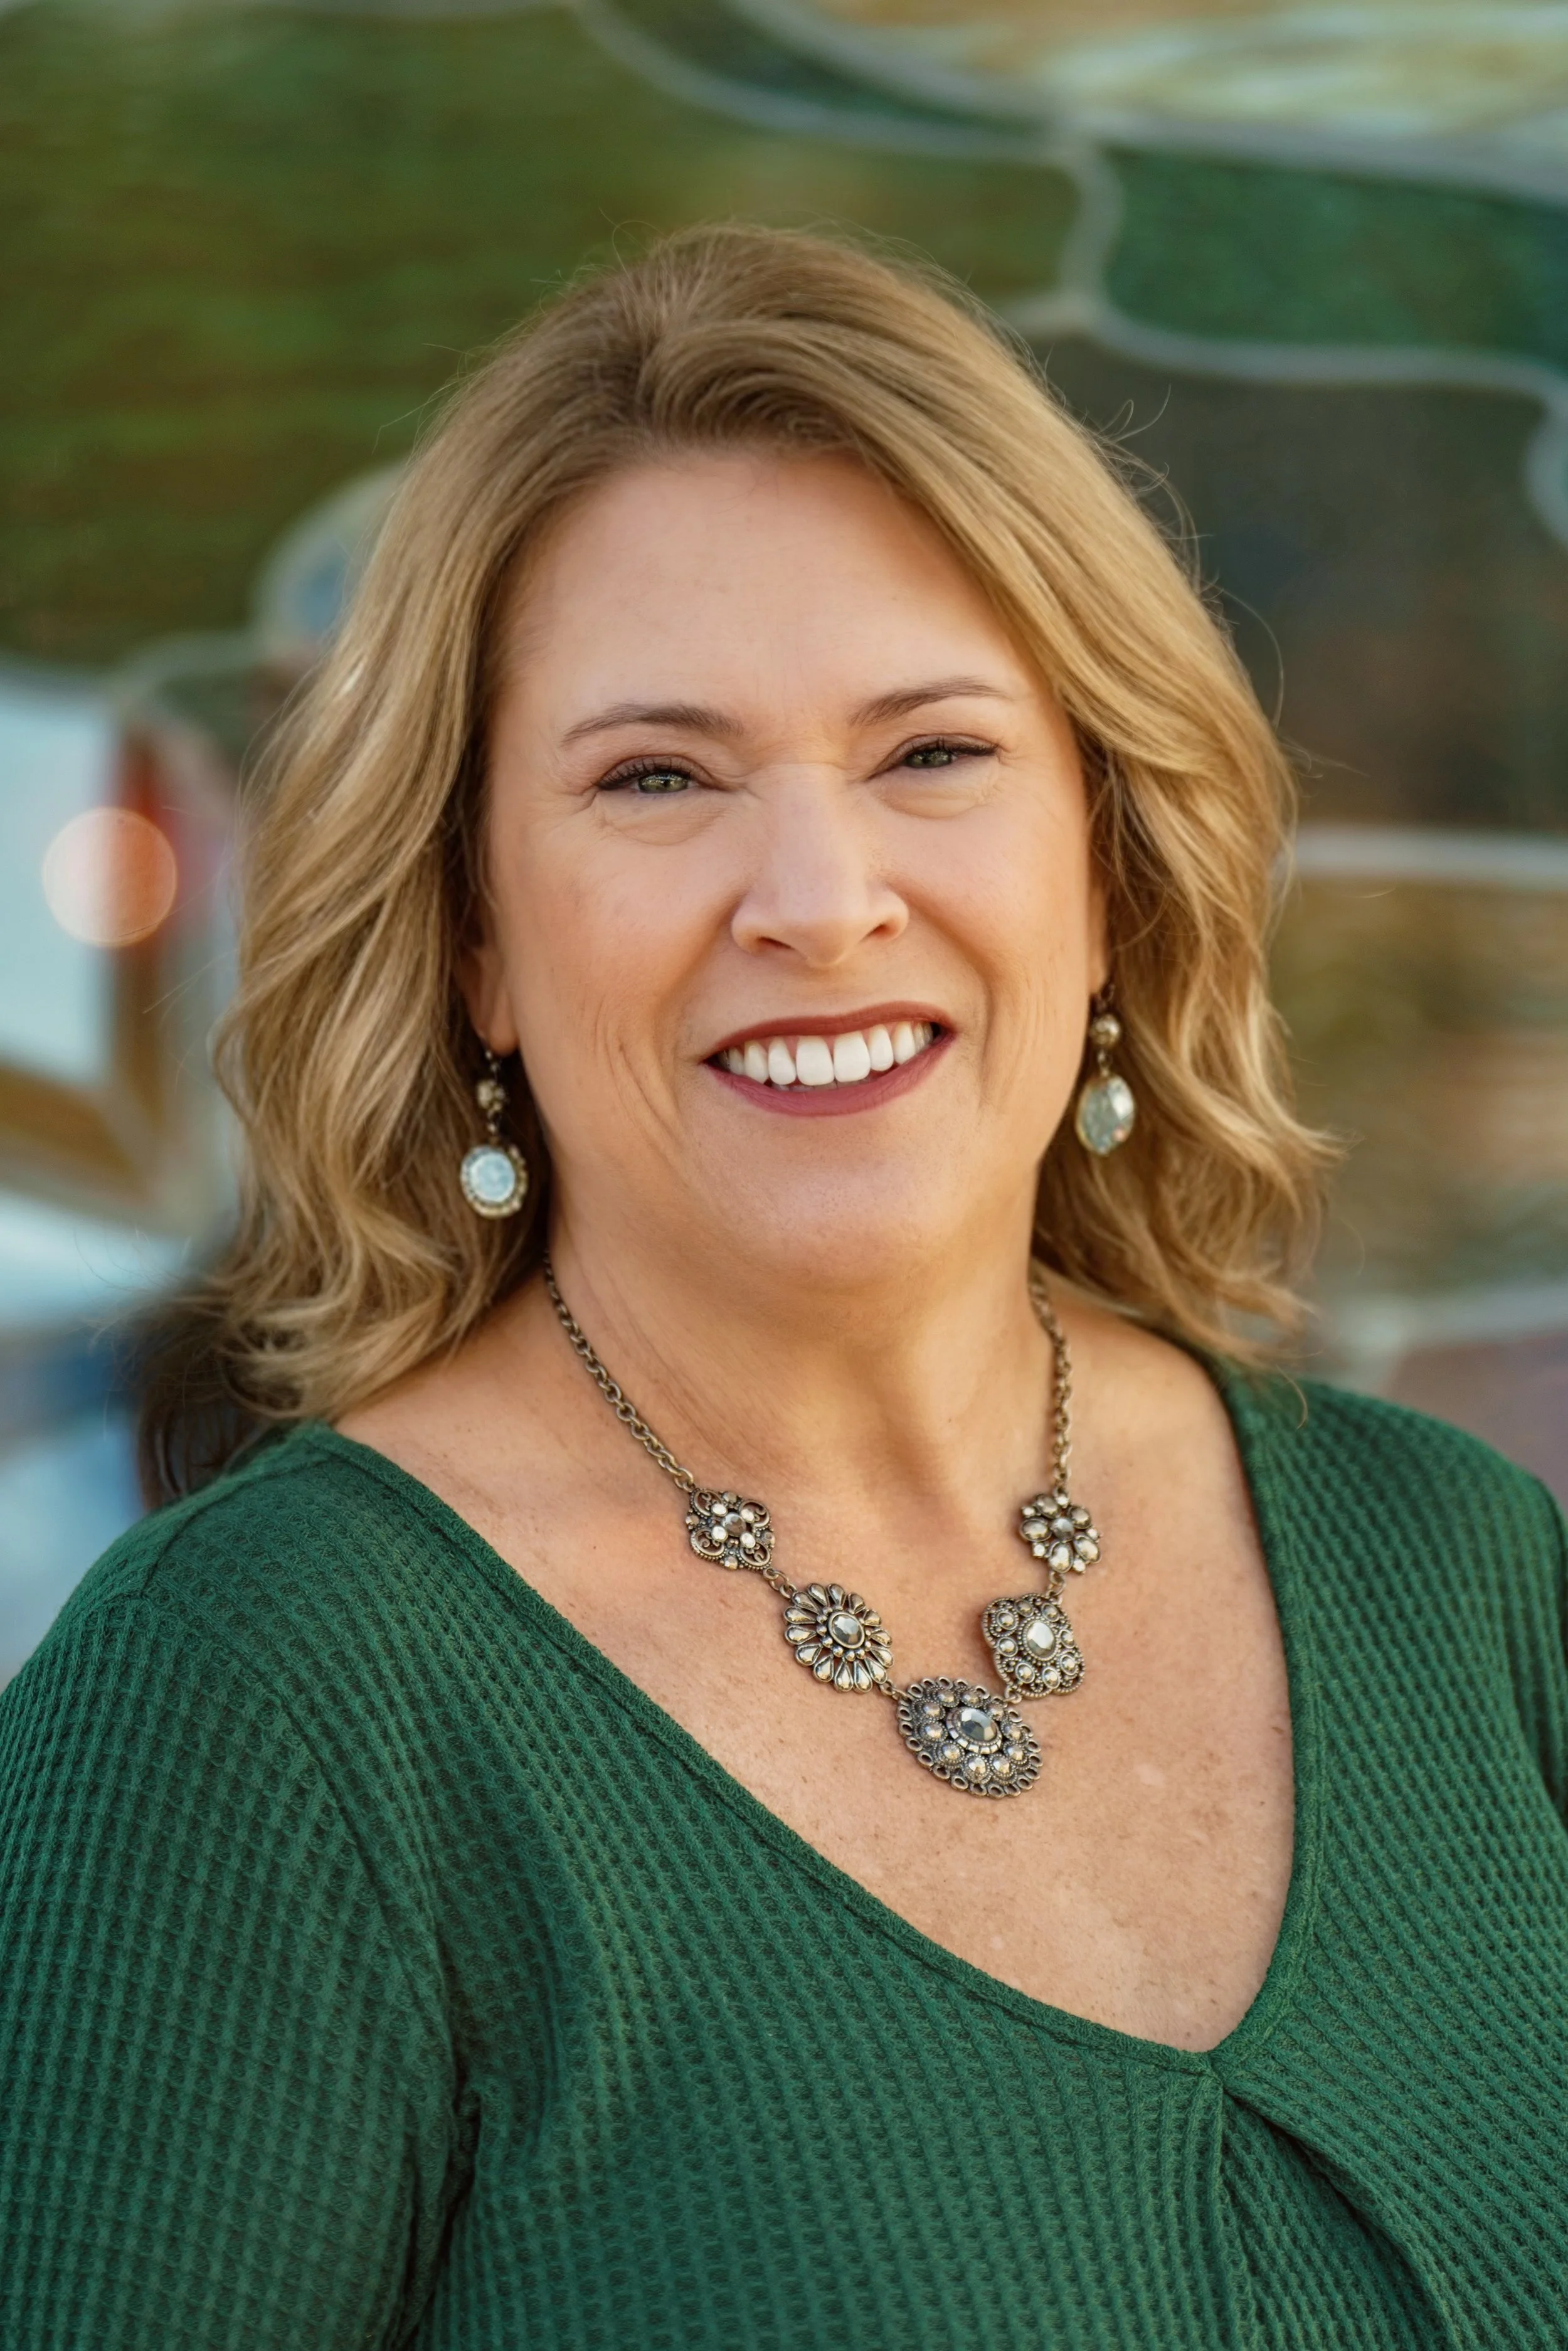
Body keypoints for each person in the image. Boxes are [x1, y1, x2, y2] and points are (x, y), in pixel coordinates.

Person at [3, 225, 1564, 2351]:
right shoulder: (257, 1704)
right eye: (658, 777)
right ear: (471, 939)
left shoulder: (1457, 1574)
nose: (822, 904)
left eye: (933, 753)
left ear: (1103, 864)